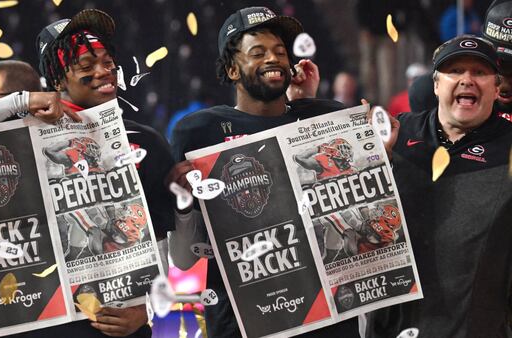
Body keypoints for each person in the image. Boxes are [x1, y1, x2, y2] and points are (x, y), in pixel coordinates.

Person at [0, 9, 174, 338]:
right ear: (58, 79)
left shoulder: (145, 141)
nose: (104, 71)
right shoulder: (17, 134)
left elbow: (157, 236)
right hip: (34, 318)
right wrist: (21, 100)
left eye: (108, 61)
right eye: (86, 65)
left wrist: (145, 307)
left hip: (111, 324)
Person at [167, 6, 358, 338]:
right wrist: (182, 206)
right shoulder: (200, 133)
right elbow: (184, 261)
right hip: (243, 322)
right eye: (258, 53)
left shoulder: (327, 118)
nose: (273, 59)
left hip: (328, 322)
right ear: (231, 70)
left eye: (280, 52)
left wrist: (312, 112)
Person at [365, 35, 512, 337]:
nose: (466, 80)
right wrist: (372, 161)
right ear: (435, 84)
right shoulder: (395, 134)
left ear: (497, 88)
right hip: (392, 327)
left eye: (480, 72)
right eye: (455, 71)